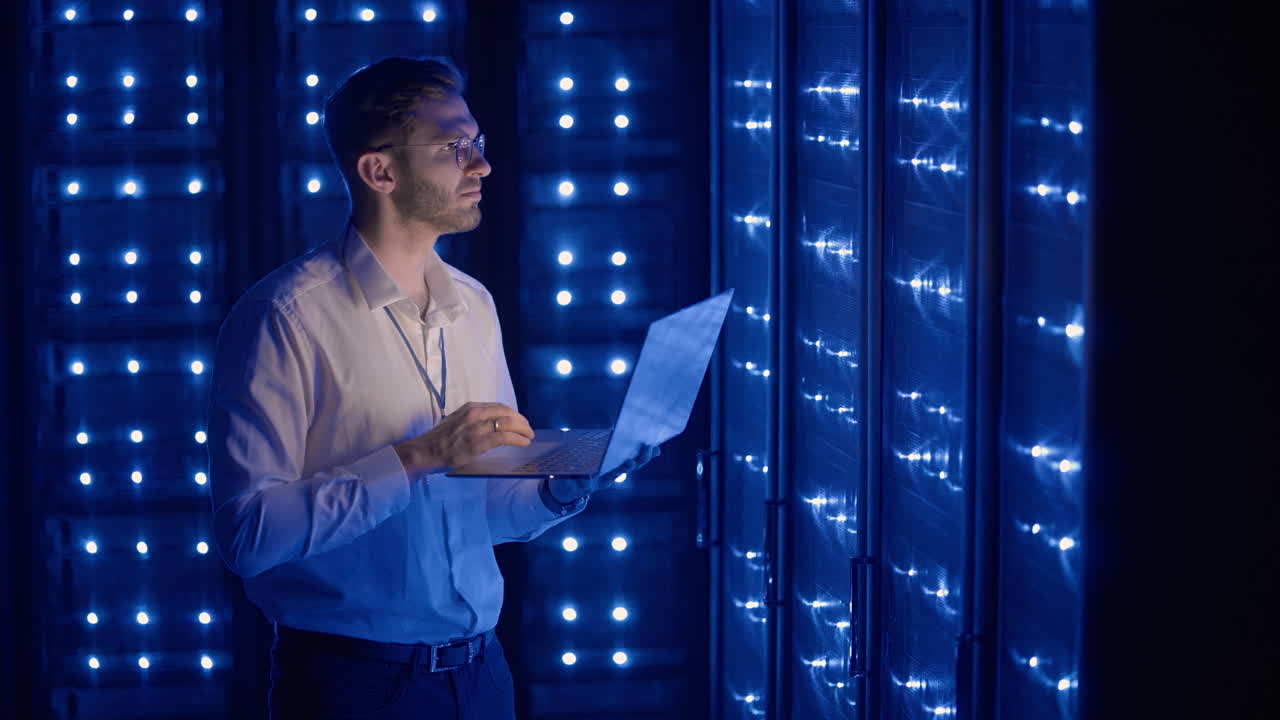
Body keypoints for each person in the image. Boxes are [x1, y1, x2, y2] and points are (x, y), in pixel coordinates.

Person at [206, 56, 658, 720]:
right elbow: (247, 537)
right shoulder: (285, 317)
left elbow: (487, 506)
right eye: (454, 148)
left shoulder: (473, 305)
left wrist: (558, 485)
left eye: (476, 144)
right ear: (379, 171)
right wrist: (417, 457)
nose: (480, 166)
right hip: (353, 688)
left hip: (481, 678)